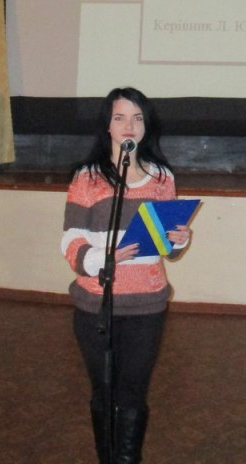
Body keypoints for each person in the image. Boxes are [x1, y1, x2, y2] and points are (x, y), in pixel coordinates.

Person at [61, 87, 191, 464]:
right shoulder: (87, 178)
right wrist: (102, 259)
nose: (129, 125)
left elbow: (168, 248)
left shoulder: (162, 177)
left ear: (146, 126)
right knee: (104, 391)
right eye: (120, 118)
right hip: (96, 305)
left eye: (137, 118)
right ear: (108, 125)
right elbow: (71, 240)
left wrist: (180, 239)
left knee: (133, 392)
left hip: (146, 306)